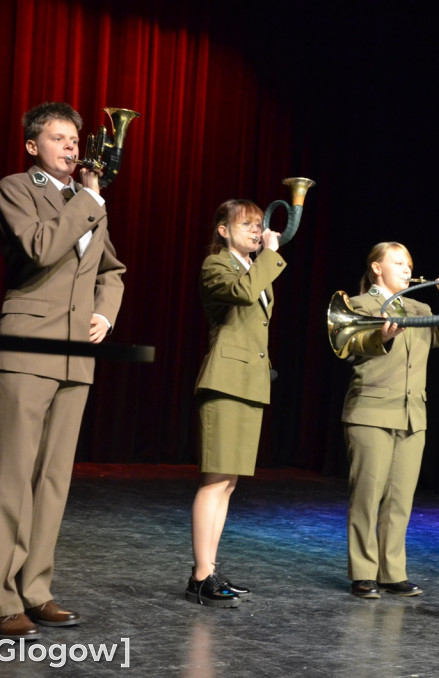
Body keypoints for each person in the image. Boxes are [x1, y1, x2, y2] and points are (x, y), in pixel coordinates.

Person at [0, 102, 125, 639]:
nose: (71, 146)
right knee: (14, 479)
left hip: (75, 356)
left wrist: (105, 313)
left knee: (53, 482)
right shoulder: (16, 188)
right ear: (32, 146)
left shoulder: (86, 203)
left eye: (75, 138)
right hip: (27, 347)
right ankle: (0, 601)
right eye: (59, 138)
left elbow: (113, 270)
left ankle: (35, 590)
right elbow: (41, 248)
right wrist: (88, 199)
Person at [340, 243, 439, 599]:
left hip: (412, 413)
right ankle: (363, 572)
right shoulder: (358, 304)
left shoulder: (420, 307)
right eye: (398, 262)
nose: (407, 269)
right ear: (377, 268)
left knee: (400, 499)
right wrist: (381, 336)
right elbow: (348, 346)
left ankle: (392, 572)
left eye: (409, 263)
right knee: (368, 494)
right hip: (371, 410)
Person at [186, 199, 284, 608]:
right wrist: (272, 256)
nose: (256, 231)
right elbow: (243, 295)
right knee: (214, 480)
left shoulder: (254, 268)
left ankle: (208, 569)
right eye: (246, 224)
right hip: (225, 381)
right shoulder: (217, 266)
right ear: (224, 230)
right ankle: (200, 573)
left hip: (250, 383)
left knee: (228, 483)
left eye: (259, 225)